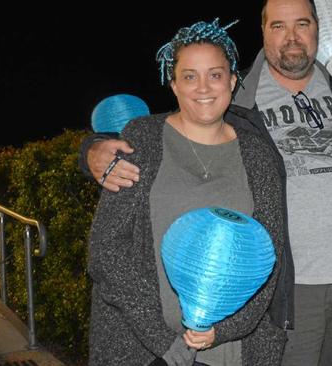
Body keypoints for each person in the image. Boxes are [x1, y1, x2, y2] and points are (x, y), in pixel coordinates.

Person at [80, 1, 332, 365]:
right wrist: (91, 149)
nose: (291, 37)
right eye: (278, 25)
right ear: (262, 34)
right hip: (291, 288)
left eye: (302, 24)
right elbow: (177, 128)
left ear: (318, 31)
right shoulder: (245, 99)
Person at [87, 19, 288, 366]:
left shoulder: (258, 156)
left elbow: (270, 252)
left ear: (233, 81)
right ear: (174, 85)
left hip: (233, 351)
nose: (203, 87)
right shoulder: (143, 140)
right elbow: (106, 248)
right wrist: (163, 340)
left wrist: (225, 329)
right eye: (190, 76)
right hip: (145, 347)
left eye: (215, 74)